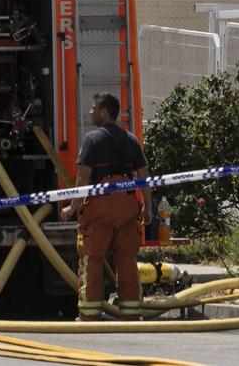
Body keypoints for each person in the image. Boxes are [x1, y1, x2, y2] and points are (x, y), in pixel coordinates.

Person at [62, 92, 146, 320]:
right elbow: (144, 176)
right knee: (127, 259)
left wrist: (72, 206)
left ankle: (89, 314)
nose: (90, 112)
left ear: (104, 112)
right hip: (127, 204)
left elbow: (83, 177)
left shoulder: (92, 139)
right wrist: (148, 209)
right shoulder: (131, 139)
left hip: (100, 207)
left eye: (93, 108)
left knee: (92, 259)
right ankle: (131, 311)